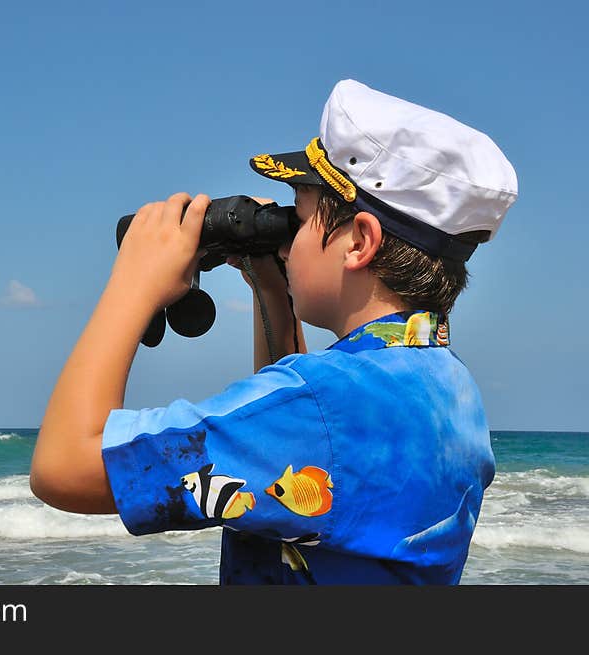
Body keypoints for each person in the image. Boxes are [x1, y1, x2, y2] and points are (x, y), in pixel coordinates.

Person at [30, 79, 518, 584]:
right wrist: (273, 294)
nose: (290, 239)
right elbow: (303, 445)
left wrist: (133, 284)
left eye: (301, 220)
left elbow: (63, 468)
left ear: (360, 243)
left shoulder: (319, 407)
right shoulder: (445, 385)